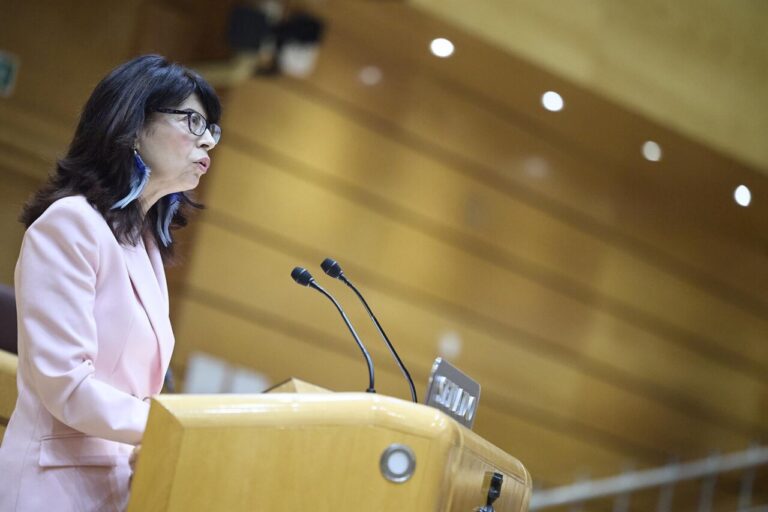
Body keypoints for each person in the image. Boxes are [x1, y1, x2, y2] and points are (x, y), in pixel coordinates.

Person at [0, 54, 221, 511]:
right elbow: (66, 386)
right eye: (193, 122)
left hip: (118, 489)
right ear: (134, 124)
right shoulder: (70, 224)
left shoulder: (146, 246)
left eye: (211, 129)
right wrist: (170, 424)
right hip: (50, 488)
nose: (208, 142)